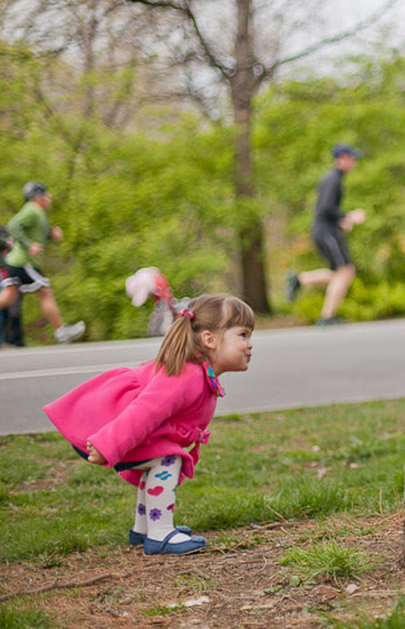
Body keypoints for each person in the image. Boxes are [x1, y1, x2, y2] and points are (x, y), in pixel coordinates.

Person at [43, 294, 255, 555]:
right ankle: (160, 532)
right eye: (243, 335)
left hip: (114, 433)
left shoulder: (199, 373)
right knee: (167, 459)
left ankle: (144, 529)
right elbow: (142, 414)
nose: (249, 344)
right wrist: (106, 445)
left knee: (159, 459)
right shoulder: (186, 375)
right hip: (102, 431)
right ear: (209, 339)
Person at [286, 144, 366, 325]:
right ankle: (327, 317)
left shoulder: (334, 178)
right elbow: (326, 208)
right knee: (345, 271)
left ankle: (300, 280)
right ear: (343, 158)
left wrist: (341, 220)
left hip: (327, 230)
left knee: (340, 272)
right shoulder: (333, 179)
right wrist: (347, 217)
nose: (354, 163)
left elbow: (326, 208)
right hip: (325, 231)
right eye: (353, 159)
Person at [4, 181, 86, 345]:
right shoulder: (32, 210)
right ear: (38, 197)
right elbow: (13, 226)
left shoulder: (36, 213)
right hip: (24, 262)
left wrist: (50, 235)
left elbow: (33, 234)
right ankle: (61, 331)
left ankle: (61, 331)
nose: (49, 198)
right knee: (45, 291)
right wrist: (28, 246)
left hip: (18, 261)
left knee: (8, 297)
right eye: (47, 195)